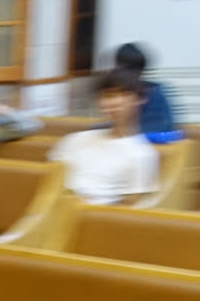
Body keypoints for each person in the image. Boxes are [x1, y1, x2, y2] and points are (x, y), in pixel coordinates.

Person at [49, 69, 162, 205]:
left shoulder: (143, 154)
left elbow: (130, 209)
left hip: (90, 214)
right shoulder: (75, 139)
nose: (115, 102)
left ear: (140, 99)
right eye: (108, 96)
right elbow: (49, 179)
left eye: (124, 94)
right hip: (53, 205)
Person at [113, 43, 185, 143]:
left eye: (134, 69)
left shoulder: (155, 93)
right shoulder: (124, 92)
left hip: (160, 145)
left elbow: (160, 128)